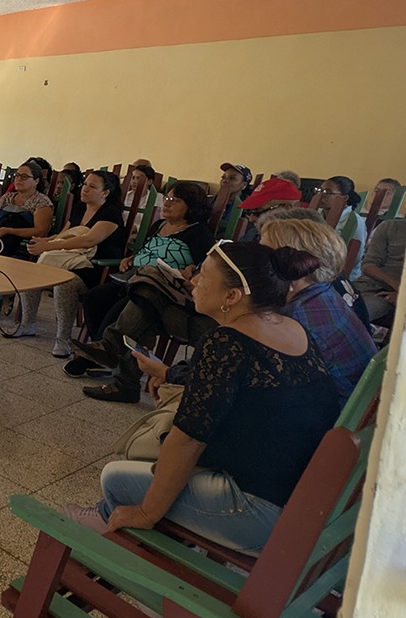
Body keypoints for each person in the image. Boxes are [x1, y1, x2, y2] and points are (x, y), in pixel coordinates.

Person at [61, 242, 339, 555]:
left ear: (232, 297)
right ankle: (109, 521)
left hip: (260, 515)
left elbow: (188, 441)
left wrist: (146, 512)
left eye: (204, 277)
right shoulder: (294, 328)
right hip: (301, 503)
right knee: (158, 465)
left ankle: (116, 548)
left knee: (115, 478)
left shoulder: (226, 342)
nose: (193, 282)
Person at [64, 181, 213, 376]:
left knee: (127, 304)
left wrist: (190, 272)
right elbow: (145, 251)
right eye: (166, 198)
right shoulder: (159, 225)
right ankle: (104, 355)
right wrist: (130, 259)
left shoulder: (199, 233)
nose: (167, 203)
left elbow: (202, 270)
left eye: (174, 200)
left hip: (161, 290)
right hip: (132, 277)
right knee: (95, 298)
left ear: (192, 206)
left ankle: (94, 356)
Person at [260, 218, 376, 400]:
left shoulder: (296, 318)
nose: (258, 261)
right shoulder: (322, 292)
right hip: (358, 403)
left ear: (294, 263)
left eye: (264, 254)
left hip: (338, 415)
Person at [14, 169, 126, 357]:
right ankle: (27, 323)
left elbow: (88, 241)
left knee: (65, 283)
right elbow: (64, 234)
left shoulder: (111, 213)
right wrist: (46, 242)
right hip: (68, 258)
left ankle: (63, 339)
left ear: (105, 193)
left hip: (94, 266)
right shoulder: (81, 207)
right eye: (85, 184)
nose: (85, 189)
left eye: (92, 186)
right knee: (31, 272)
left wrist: (49, 247)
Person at [0, 159, 54, 256]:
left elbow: (40, 231)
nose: (18, 179)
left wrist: (9, 231)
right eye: (17, 176)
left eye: (24, 177)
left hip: (18, 244)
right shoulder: (7, 197)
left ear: (36, 181)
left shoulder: (42, 202)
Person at [352, 216, 405, 323]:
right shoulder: (389, 227)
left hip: (387, 296)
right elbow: (368, 265)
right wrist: (395, 284)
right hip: (365, 284)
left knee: (354, 312)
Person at [317, 175, 367, 279]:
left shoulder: (354, 221)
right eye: (319, 190)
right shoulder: (316, 214)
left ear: (344, 198)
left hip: (341, 274)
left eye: (327, 192)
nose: (321, 195)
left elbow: (355, 257)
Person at [235, 176, 301, 240]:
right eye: (249, 212)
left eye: (258, 212)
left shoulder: (300, 244)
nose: (251, 219)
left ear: (286, 208)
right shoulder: (252, 234)